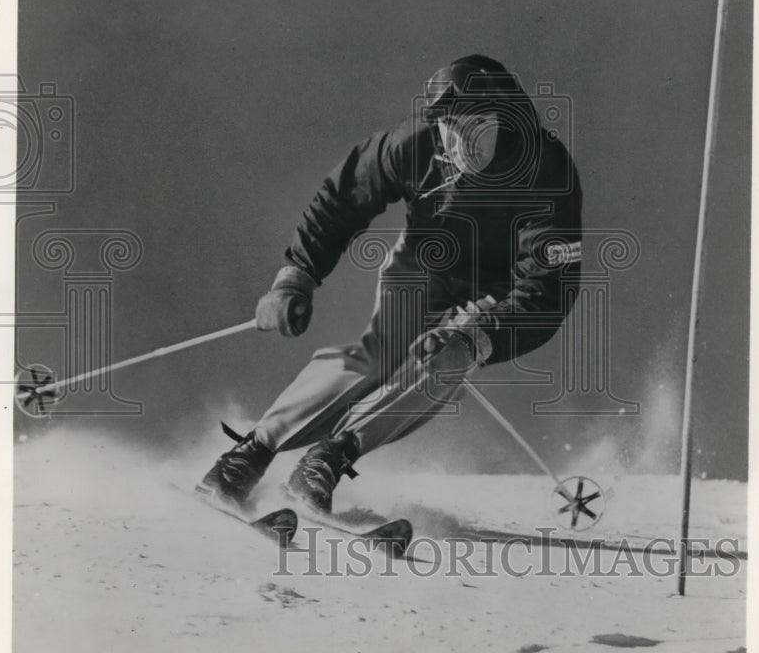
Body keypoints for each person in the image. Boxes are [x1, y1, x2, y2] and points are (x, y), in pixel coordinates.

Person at [197, 55, 582, 515]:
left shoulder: (544, 168)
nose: (464, 144)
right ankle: (250, 454)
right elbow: (342, 198)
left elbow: (549, 283)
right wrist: (297, 274)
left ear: (505, 121)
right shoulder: (414, 144)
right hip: (423, 266)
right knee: (378, 355)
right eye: (451, 128)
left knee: (443, 364)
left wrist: (481, 336)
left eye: (479, 126)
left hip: (497, 291)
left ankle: (327, 460)